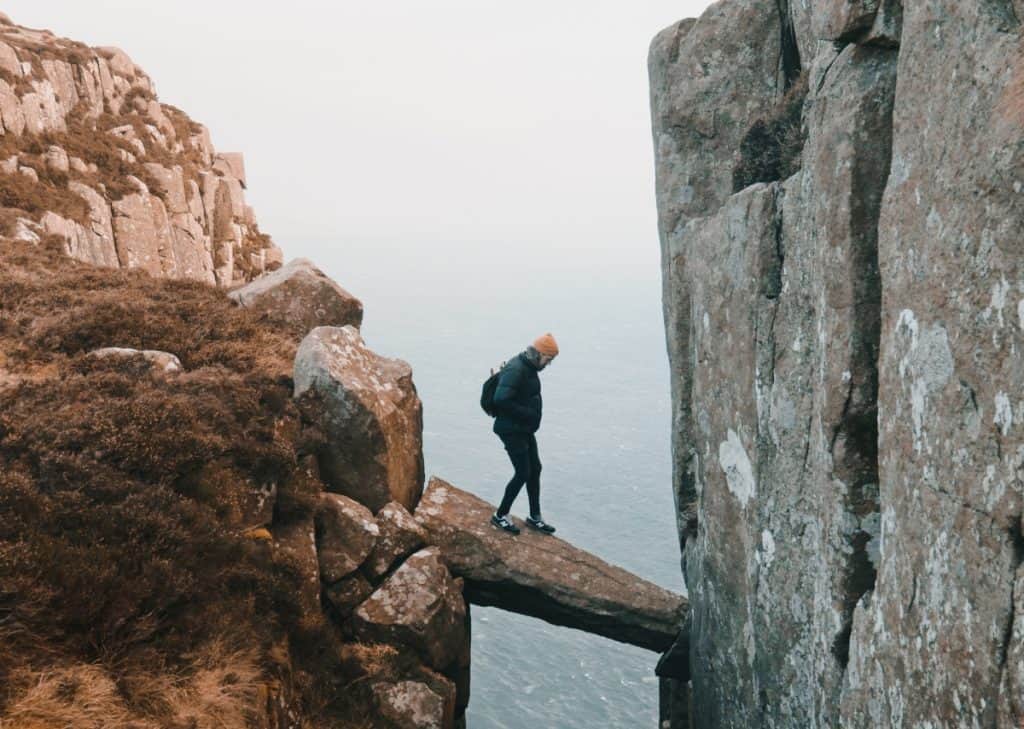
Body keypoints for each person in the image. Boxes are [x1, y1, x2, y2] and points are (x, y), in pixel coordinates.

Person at [489, 333, 559, 535]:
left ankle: (534, 517)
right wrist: (527, 414)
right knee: (523, 472)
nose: (548, 364)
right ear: (538, 354)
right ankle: (500, 515)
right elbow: (501, 399)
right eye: (548, 359)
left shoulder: (528, 367)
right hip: (511, 430)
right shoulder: (516, 369)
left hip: (523, 428)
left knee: (535, 468)